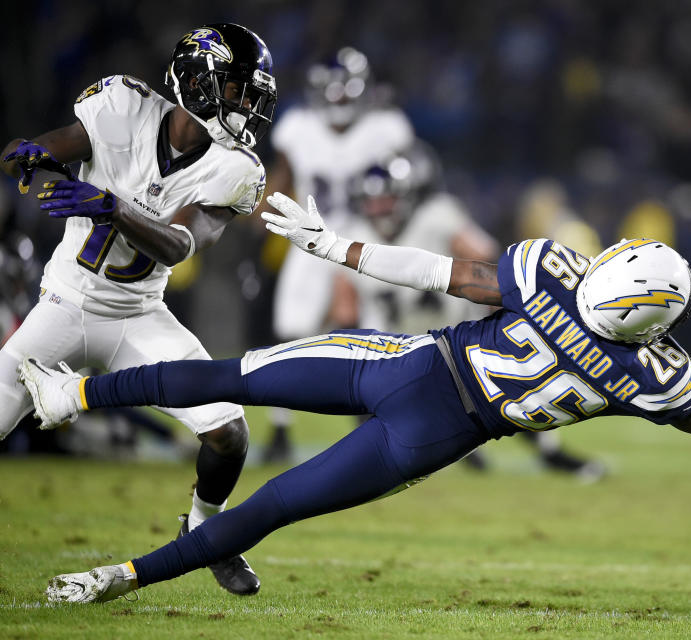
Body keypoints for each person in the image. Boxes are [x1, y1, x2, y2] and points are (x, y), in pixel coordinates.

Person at [21, 192, 691, 604]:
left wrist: (333, 247)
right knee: (253, 428)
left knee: (259, 443)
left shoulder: (556, 274)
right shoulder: (655, 374)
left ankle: (124, 569)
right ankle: (75, 405)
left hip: (411, 383)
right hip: (421, 397)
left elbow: (445, 273)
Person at [0, 23, 278, 596]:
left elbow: (178, 245)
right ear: (195, 80)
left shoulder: (236, 168)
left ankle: (206, 532)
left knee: (229, 432)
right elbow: (37, 149)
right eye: (235, 89)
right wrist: (26, 156)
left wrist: (108, 206)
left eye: (251, 95)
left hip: (138, 317)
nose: (244, 106)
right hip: (63, 303)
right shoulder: (123, 107)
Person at [328, 142, 607, 479]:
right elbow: (345, 312)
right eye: (372, 201)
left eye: (386, 199)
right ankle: (445, 449)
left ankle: (547, 451)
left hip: (459, 333)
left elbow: (488, 262)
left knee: (515, 385)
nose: (380, 209)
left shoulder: (437, 217)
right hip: (400, 346)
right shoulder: (355, 235)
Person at [260, 46, 414, 461]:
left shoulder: (387, 128)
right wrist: (257, 225)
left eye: (346, 93)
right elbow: (283, 177)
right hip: (311, 234)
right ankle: (279, 428)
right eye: (333, 94)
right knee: (290, 330)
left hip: (364, 236)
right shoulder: (298, 128)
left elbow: (408, 185)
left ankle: (380, 421)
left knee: (377, 332)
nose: (339, 101)